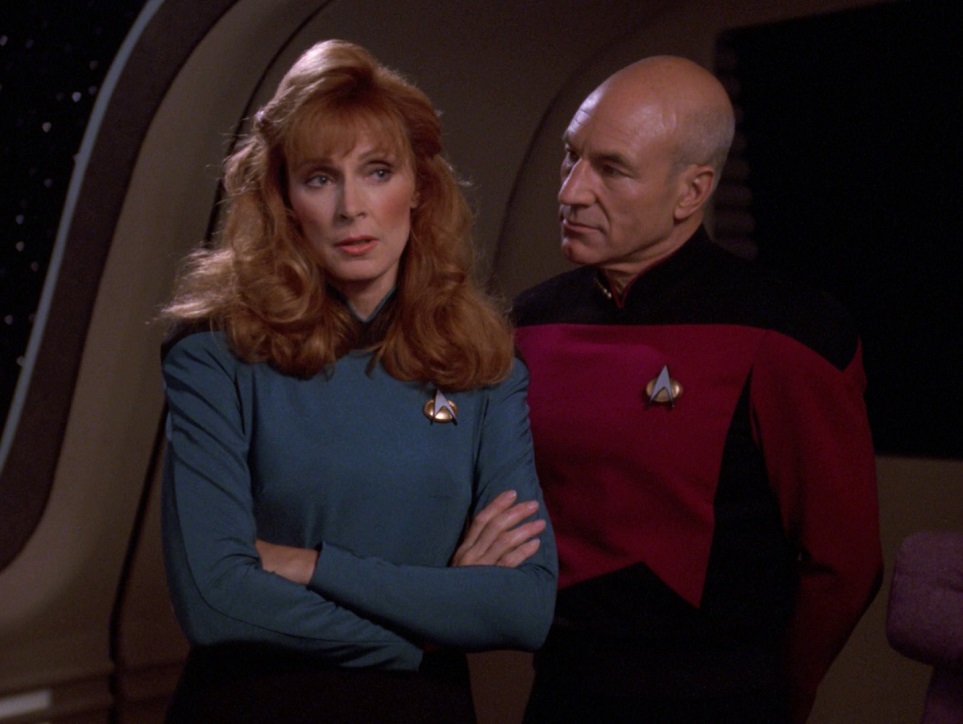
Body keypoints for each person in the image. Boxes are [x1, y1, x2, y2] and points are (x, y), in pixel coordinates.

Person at [159, 39, 556, 723]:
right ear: (284, 198)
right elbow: (214, 599)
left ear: (419, 187)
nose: (351, 207)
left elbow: (522, 607)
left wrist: (310, 565)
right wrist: (425, 629)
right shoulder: (216, 356)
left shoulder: (482, 365)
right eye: (320, 178)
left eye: (377, 171)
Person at [514, 55, 882, 723]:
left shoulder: (787, 331)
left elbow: (844, 564)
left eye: (611, 169)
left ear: (692, 192)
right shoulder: (528, 322)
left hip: (719, 700)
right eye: (570, 156)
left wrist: (781, 695)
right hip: (559, 691)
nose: (570, 191)